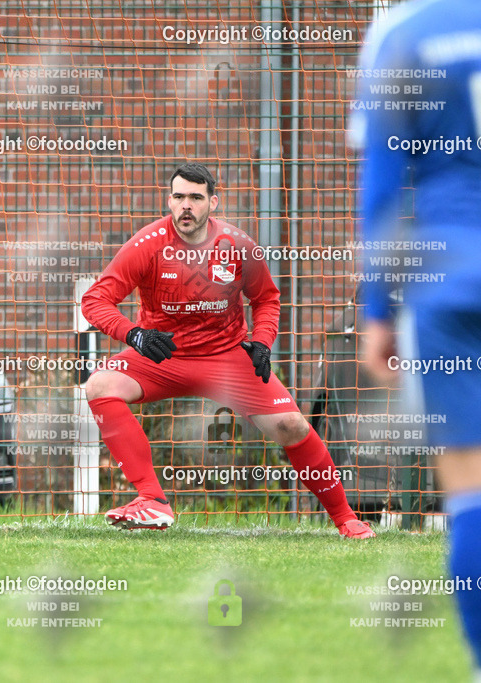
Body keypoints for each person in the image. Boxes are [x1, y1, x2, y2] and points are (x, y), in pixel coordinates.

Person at [81, 163, 375, 538]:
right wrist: (134, 335)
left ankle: (346, 518)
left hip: (226, 358)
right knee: (99, 386)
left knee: (291, 424)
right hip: (161, 356)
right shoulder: (147, 244)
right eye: (178, 197)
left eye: (195, 198)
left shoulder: (237, 246)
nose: (186, 206)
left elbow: (267, 299)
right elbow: (95, 300)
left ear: (213, 203)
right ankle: (152, 500)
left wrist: (263, 343)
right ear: (168, 200)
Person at [351, 0, 481, 670]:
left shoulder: (404, 32)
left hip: (450, 280)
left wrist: (378, 309)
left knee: (469, 490)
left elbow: (380, 184)